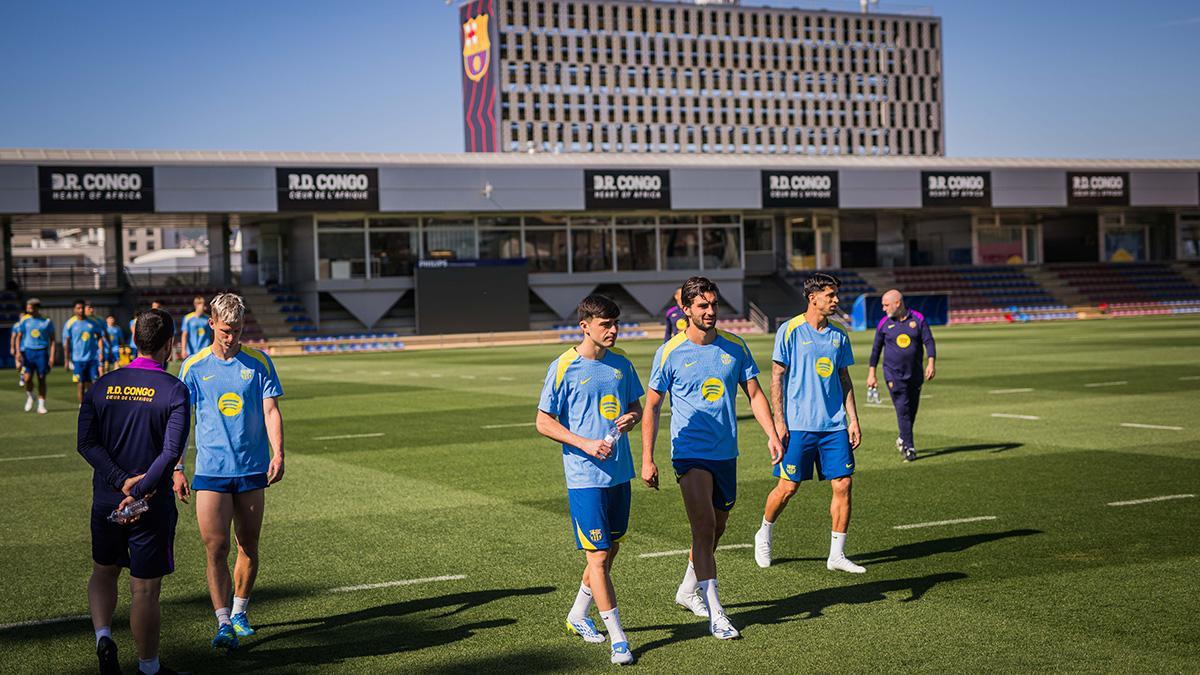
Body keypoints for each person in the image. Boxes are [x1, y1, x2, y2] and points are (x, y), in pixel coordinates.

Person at [641, 276, 783, 640]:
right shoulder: (669, 352)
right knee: (703, 528)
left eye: (713, 304)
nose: (710, 311)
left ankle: (688, 590)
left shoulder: (735, 347)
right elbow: (653, 406)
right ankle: (717, 613)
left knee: (717, 529)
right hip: (689, 453)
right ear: (685, 310)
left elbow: (753, 394)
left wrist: (772, 433)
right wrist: (647, 457)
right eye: (702, 306)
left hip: (726, 454)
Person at [78, 308, 190, 675]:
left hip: (107, 500)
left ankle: (104, 637)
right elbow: (171, 452)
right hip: (149, 504)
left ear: (134, 340)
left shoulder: (102, 384)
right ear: (169, 344)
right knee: (144, 591)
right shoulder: (174, 389)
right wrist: (138, 488)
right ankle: (148, 667)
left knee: (103, 571)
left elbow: (86, 443)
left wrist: (118, 480)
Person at [536, 294, 644, 666]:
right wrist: (584, 443)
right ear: (584, 326)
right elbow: (543, 421)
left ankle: (577, 615)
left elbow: (636, 408)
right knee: (598, 555)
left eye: (616, 324)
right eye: (605, 325)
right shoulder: (563, 366)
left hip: (619, 473)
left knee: (609, 550)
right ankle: (618, 638)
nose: (613, 331)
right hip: (584, 477)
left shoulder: (622, 365)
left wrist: (632, 418)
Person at [177, 293, 284, 650]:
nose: (231, 337)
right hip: (211, 471)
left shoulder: (259, 363)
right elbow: (181, 423)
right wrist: (177, 466)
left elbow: (270, 411)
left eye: (237, 330)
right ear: (211, 324)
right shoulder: (193, 366)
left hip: (252, 469)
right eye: (225, 330)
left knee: (248, 544)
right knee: (215, 547)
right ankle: (222, 621)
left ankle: (239, 612)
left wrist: (278, 452)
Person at [753, 272, 864, 573]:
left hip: (834, 426)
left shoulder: (839, 335)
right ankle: (764, 531)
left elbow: (844, 379)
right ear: (813, 297)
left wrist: (852, 419)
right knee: (788, 487)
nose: (836, 300)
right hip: (799, 425)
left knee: (843, 483)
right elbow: (776, 377)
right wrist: (779, 422)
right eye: (830, 295)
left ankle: (836, 555)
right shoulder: (789, 331)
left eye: (835, 295)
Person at [867, 289, 937, 462]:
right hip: (893, 374)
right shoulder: (884, 323)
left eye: (886, 304)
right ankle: (909, 447)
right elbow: (876, 349)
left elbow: (929, 341)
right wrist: (871, 374)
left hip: (915, 373)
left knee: (911, 410)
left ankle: (903, 437)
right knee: (902, 409)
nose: (883, 308)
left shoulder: (918, 319)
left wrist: (930, 363)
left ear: (897, 303)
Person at [15, 299, 56, 414]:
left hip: (42, 353)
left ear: (37, 308)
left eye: (30, 308)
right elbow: (19, 337)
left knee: (41, 378)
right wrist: (18, 352)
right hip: (28, 352)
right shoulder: (25, 320)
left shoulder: (46, 321)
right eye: (27, 308)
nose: (28, 310)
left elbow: (52, 340)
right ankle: (31, 395)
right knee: (27, 378)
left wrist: (52, 356)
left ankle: (41, 405)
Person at [65, 299, 103, 404]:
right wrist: (66, 359)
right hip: (78, 359)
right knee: (80, 384)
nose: (81, 310)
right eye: (78, 308)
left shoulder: (93, 322)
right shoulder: (70, 323)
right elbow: (66, 342)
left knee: (94, 383)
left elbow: (100, 337)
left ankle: (92, 405)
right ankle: (82, 407)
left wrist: (101, 353)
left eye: (82, 308)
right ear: (74, 310)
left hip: (92, 358)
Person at [180, 295, 213, 360]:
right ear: (196, 305)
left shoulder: (208, 319)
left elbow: (212, 335)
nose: (205, 307)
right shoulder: (188, 318)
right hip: (191, 352)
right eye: (203, 305)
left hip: (205, 351)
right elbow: (184, 335)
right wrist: (183, 350)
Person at [10, 310, 30, 386]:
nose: (22, 317)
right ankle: (22, 375)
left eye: (23, 316)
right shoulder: (16, 325)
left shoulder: (29, 324)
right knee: (18, 366)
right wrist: (12, 348)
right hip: (18, 348)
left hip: (26, 347)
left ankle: (23, 378)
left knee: (25, 364)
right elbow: (13, 337)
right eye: (21, 316)